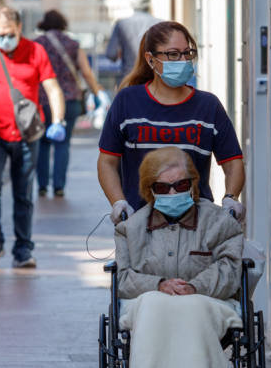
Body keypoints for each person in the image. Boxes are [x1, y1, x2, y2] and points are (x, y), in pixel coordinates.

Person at [115, 146, 244, 368]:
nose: (173, 193)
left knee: (191, 308)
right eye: (163, 187)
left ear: (194, 184)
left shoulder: (220, 222)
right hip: (152, 305)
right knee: (152, 304)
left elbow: (230, 270)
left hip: (207, 301)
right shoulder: (131, 229)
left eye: (181, 185)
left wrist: (195, 287)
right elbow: (125, 279)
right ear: (150, 190)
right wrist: (158, 285)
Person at [97, 20, 246, 225]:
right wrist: (118, 202)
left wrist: (231, 198)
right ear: (151, 59)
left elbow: (233, 162)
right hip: (139, 224)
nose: (183, 60)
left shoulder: (208, 106)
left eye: (187, 53)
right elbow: (107, 162)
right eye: (173, 54)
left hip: (198, 227)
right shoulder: (127, 101)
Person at [0, 6, 67, 268]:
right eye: (0, 34)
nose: (5, 39)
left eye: (10, 34)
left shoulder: (35, 51)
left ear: (20, 28)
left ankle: (23, 248)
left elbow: (52, 88)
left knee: (24, 193)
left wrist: (58, 121)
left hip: (27, 134)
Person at [34, 9, 102, 197]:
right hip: (70, 99)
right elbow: (86, 72)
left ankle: (41, 185)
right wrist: (97, 92)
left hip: (42, 99)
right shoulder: (73, 44)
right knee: (62, 144)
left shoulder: (37, 44)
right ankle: (59, 186)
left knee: (43, 143)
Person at [105, 0, 162, 90]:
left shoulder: (121, 24)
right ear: (149, 2)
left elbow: (111, 54)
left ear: (132, 3)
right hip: (155, 81)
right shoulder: (161, 24)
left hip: (129, 80)